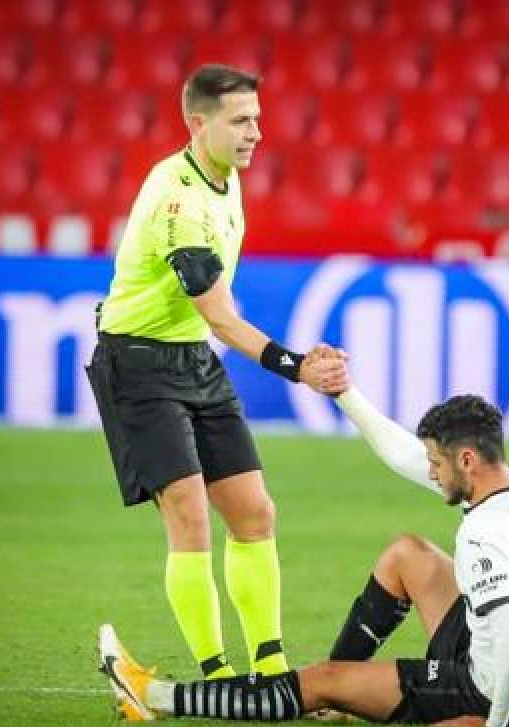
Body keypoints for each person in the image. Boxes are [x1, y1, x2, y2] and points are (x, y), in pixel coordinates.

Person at [97, 383, 509, 727]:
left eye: (436, 463)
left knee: (322, 679)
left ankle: (155, 697)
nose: (429, 472)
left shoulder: (483, 534)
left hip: (498, 692)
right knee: (406, 554)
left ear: (467, 460)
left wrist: (492, 724)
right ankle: (343, 695)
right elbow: (402, 455)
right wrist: (344, 391)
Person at [85, 64, 348, 684]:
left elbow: (214, 322)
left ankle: (272, 665)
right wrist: (296, 367)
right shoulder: (178, 201)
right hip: (138, 363)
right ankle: (218, 675)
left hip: (192, 358)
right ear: (198, 125)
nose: (256, 132)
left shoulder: (225, 177)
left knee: (254, 512)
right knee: (189, 513)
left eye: (257, 118)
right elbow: (222, 317)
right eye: (240, 121)